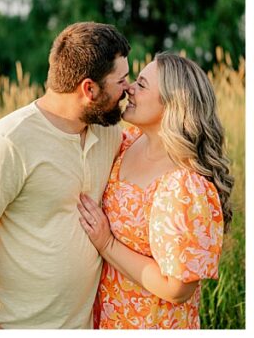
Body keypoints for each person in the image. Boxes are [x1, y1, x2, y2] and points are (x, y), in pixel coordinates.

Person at [0, 22, 131, 329]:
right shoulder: (9, 142)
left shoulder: (110, 132)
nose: (128, 88)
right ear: (90, 89)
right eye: (121, 80)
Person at [78, 53, 231, 329]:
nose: (129, 89)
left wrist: (107, 244)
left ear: (173, 104)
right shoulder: (126, 144)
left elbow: (177, 289)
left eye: (142, 84)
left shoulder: (185, 185)